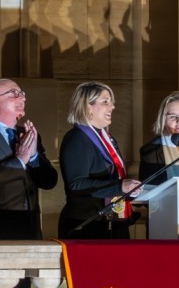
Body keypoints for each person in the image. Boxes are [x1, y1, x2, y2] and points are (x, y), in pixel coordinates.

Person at [0, 78, 57, 240]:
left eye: (22, 94)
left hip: (30, 229)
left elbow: (49, 181)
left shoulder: (28, 135)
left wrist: (34, 157)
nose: (22, 98)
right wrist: (20, 160)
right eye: (14, 94)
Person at [58, 81, 142, 239]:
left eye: (111, 102)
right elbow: (76, 184)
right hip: (87, 225)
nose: (112, 107)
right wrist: (119, 186)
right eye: (105, 102)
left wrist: (129, 189)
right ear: (87, 106)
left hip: (111, 222)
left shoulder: (107, 138)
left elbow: (114, 176)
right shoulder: (77, 139)